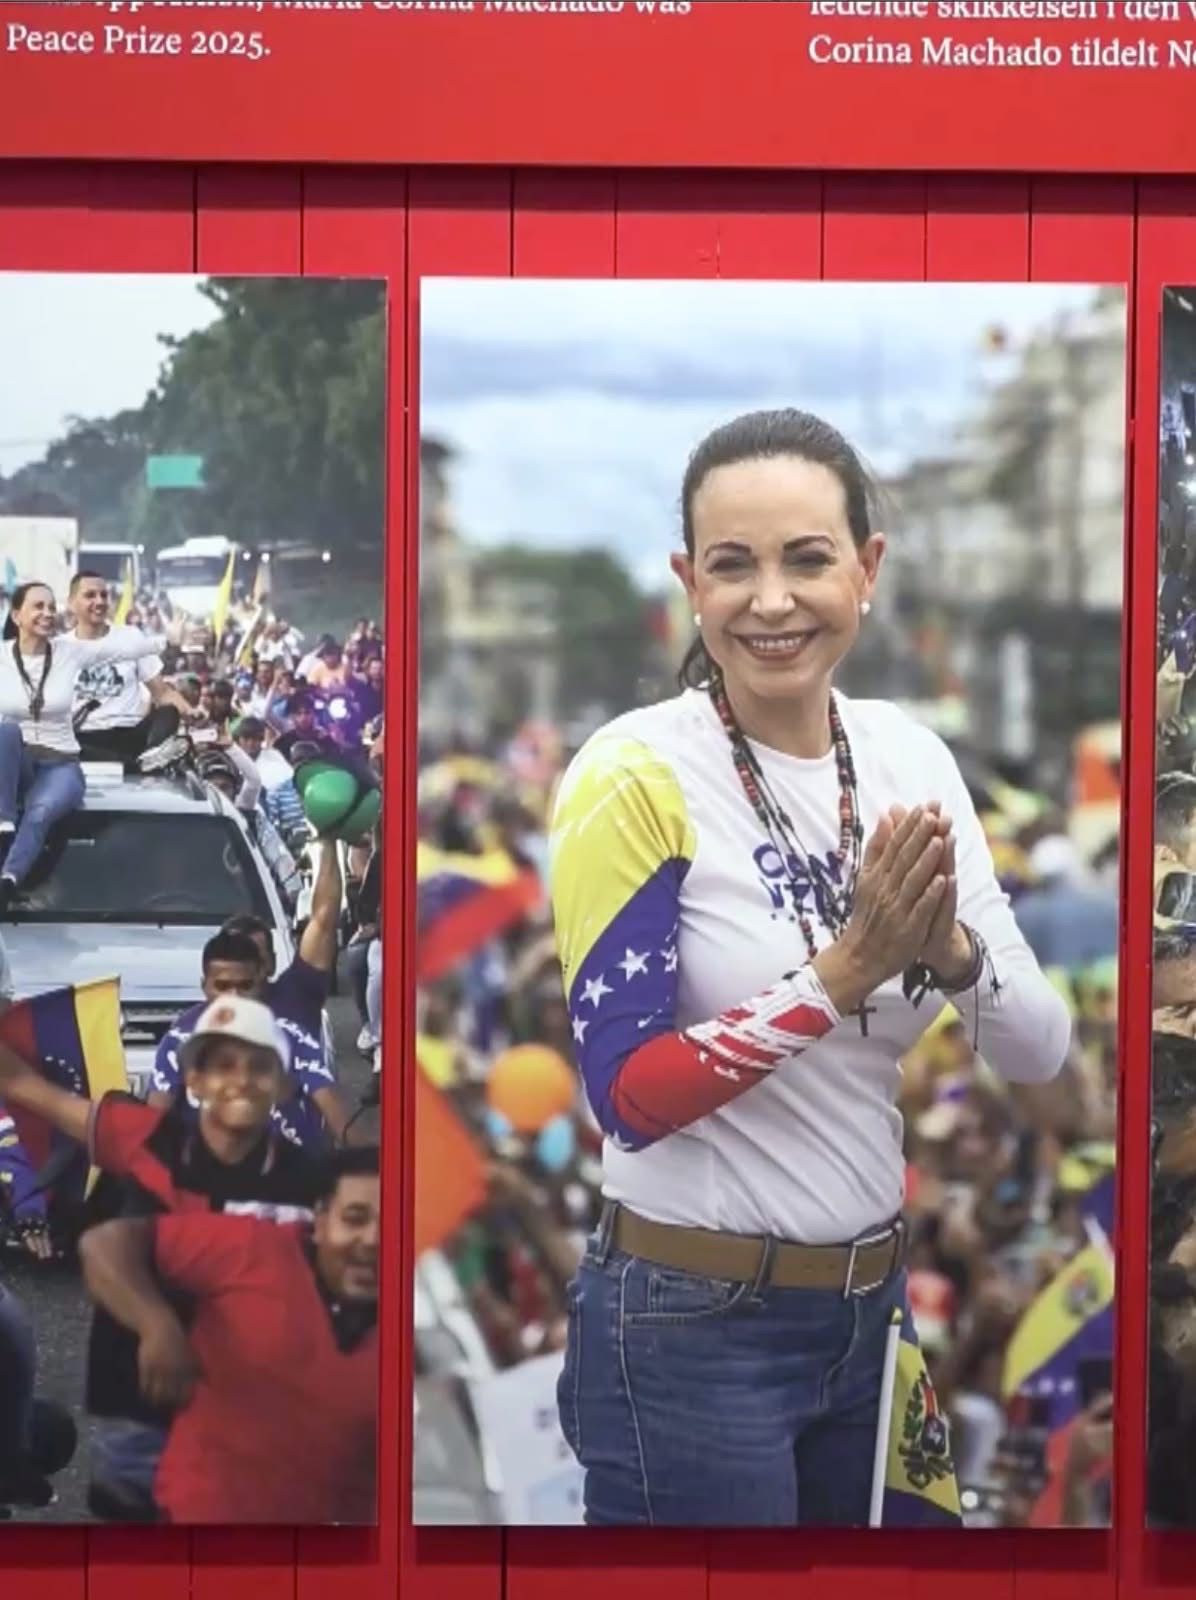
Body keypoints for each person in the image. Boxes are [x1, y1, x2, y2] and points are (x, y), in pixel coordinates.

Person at [547, 408, 1071, 1527]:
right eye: (732, 565)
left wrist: (948, 948)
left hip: (873, 1318)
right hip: (689, 1325)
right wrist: (843, 972)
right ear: (689, 583)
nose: (771, 601)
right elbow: (626, 1095)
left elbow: (1036, 1047)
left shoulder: (909, 758)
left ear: (866, 570)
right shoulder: (629, 773)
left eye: (807, 559)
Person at [0, 992, 322, 1519]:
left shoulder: (319, 1182)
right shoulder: (147, 1141)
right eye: (221, 1064)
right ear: (192, 1081)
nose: (239, 1080)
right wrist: (157, 1325)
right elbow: (21, 1084)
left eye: (258, 1066)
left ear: (284, 1084)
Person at [78, 1143, 379, 1524]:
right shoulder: (252, 1248)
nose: (373, 1240)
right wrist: (156, 1324)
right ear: (320, 1221)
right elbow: (103, 1245)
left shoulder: (436, 1324)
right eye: (354, 1219)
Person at [148, 843, 351, 1144]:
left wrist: (329, 843)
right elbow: (151, 1127)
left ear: (265, 967)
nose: (234, 994)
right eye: (222, 983)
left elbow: (324, 919)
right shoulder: (182, 1037)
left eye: (246, 977)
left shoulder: (295, 1007)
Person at [0, 581, 164, 908]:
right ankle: (3, 821)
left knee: (40, 813)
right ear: (16, 615)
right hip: (17, 764)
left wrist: (165, 639)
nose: (48, 613)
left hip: (60, 765)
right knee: (6, 732)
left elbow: (124, 650)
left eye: (51, 607)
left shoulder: (68, 652)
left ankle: (9, 879)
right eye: (38, 606)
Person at [68, 572, 196, 770]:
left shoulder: (131, 637)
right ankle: (137, 765)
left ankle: (149, 758)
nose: (99, 601)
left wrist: (192, 712)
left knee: (168, 712)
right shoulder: (58, 648)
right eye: (90, 595)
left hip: (131, 735)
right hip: (85, 737)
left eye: (104, 595)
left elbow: (162, 693)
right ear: (72, 603)